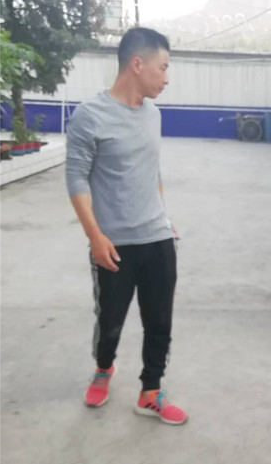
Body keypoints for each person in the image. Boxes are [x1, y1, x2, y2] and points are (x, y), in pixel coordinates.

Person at [66, 27, 187, 425]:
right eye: (162, 67)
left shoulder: (154, 115)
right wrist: (95, 236)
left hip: (158, 238)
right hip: (114, 243)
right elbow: (76, 178)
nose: (166, 78)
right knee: (110, 320)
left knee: (160, 322)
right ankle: (104, 368)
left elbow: (153, 170)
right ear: (137, 64)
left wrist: (165, 217)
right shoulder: (90, 116)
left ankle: (150, 392)